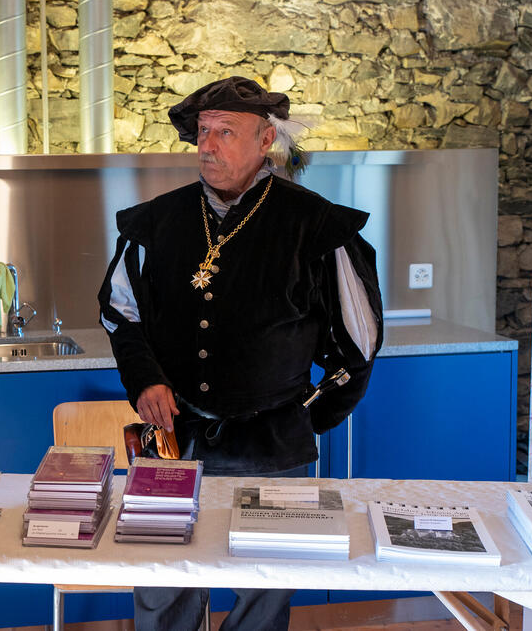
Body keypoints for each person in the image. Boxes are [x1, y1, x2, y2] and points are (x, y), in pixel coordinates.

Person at [98, 76, 383, 630]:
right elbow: (120, 311)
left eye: (225, 132)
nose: (208, 145)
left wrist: (306, 417)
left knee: (263, 588)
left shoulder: (317, 225)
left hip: (274, 446)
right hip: (173, 441)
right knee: (163, 580)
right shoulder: (154, 222)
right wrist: (145, 380)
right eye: (203, 132)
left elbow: (360, 341)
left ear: (266, 140)